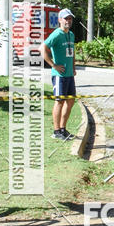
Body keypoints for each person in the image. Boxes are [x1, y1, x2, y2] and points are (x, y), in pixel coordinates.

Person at [40, 8, 76, 139]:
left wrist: (73, 67)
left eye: (70, 18)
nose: (68, 21)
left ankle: (63, 129)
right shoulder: (56, 34)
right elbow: (42, 48)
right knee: (60, 101)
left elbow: (72, 52)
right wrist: (53, 65)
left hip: (69, 74)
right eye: (66, 18)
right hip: (59, 75)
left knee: (70, 101)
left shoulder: (71, 35)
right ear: (60, 20)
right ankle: (56, 132)